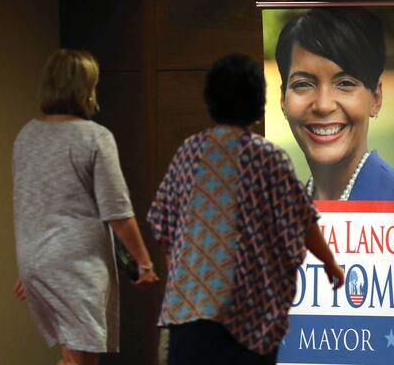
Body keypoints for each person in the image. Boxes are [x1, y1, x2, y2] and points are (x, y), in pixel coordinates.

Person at [147, 53, 345, 365]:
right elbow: (302, 221)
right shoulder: (267, 158)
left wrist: (188, 280)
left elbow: (163, 225)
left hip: (190, 315)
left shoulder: (189, 152)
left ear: (210, 99)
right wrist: (331, 263)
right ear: (257, 101)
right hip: (250, 318)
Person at [12, 49, 159, 365]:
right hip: (78, 263)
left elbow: (27, 206)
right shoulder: (94, 136)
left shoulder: (27, 135)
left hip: (37, 261)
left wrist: (31, 263)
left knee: (71, 354)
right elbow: (117, 210)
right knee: (82, 360)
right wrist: (143, 262)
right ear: (84, 89)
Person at [275, 7, 394, 201]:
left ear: (375, 98)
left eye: (345, 84)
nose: (324, 105)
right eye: (303, 85)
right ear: (283, 98)